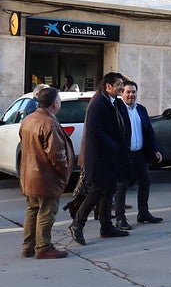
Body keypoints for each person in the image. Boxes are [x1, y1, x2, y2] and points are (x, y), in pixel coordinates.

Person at [68, 72, 129, 245]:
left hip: (111, 157)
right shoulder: (98, 103)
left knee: (109, 191)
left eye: (121, 83)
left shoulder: (114, 102)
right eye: (118, 84)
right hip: (100, 157)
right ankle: (77, 224)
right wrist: (113, 145)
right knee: (98, 190)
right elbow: (95, 131)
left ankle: (106, 227)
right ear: (107, 86)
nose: (121, 87)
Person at [19, 87, 74, 258]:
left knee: (33, 209)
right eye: (58, 99)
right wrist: (65, 173)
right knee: (46, 211)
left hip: (29, 173)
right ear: (54, 103)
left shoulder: (28, 119)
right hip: (45, 175)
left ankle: (28, 245)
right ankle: (43, 247)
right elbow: (56, 155)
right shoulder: (49, 123)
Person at [113, 80, 164, 229]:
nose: (131, 95)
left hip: (140, 154)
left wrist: (156, 149)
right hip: (124, 155)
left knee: (145, 181)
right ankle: (120, 218)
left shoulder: (141, 109)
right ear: (122, 93)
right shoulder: (117, 109)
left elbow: (149, 131)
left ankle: (143, 213)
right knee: (121, 186)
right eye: (128, 92)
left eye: (133, 92)